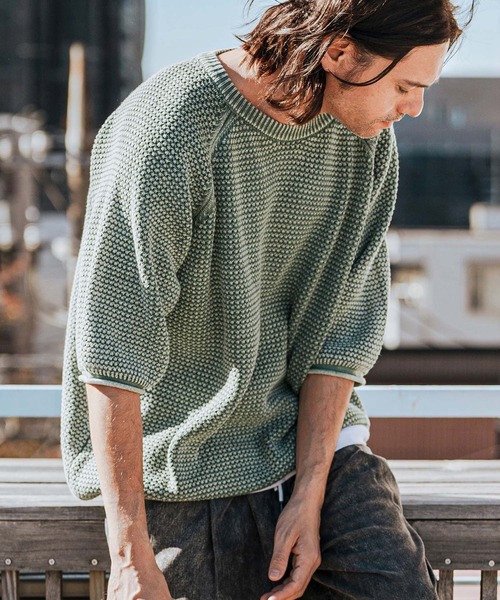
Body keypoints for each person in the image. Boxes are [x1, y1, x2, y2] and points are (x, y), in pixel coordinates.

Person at [61, 1, 473, 598]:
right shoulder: (168, 131)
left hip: (314, 447)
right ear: (339, 53)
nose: (414, 108)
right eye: (406, 86)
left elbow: (339, 338)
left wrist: (310, 493)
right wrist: (128, 556)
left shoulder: (366, 142)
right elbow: (112, 351)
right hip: (180, 457)